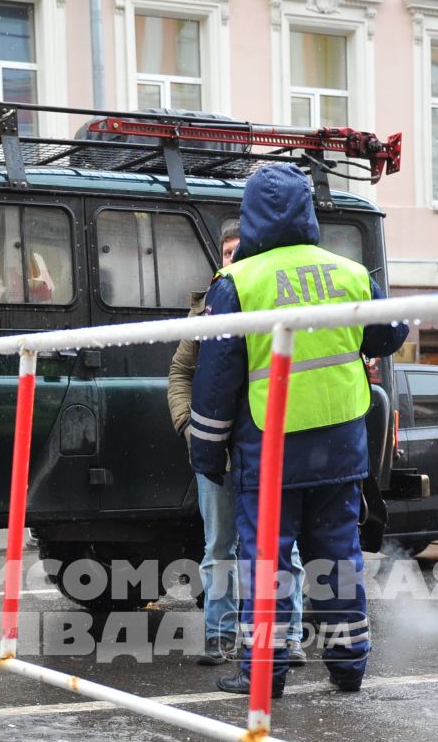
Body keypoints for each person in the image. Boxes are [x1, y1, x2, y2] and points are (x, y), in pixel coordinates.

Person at [190, 164, 408, 697]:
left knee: (266, 560)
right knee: (337, 556)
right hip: (340, 444)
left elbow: (216, 381)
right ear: (308, 213)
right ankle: (349, 664)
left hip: (270, 448)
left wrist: (206, 452)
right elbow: (389, 335)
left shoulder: (238, 283)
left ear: (252, 217)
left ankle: (262, 674)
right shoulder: (350, 273)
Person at [166, 220, 304, 666]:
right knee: (219, 547)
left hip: (267, 448)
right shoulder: (207, 311)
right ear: (219, 259)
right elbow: (179, 374)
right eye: (228, 253)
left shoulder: (275, 302)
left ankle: (290, 637)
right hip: (218, 453)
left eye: (241, 251)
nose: (235, 259)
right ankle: (221, 637)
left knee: (281, 547)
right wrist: (189, 426)